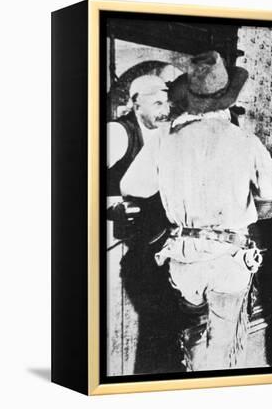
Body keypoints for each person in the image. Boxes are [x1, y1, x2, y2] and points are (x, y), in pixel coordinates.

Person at [155, 51, 272, 371]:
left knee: (194, 335)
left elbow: (136, 186)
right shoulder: (243, 140)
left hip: (184, 258)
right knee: (223, 341)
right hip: (228, 259)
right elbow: (271, 188)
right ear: (227, 100)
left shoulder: (166, 141)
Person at [106, 74, 186, 374]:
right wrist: (112, 203)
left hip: (158, 242)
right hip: (121, 244)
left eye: (166, 102)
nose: (164, 109)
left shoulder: (168, 134)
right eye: (156, 103)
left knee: (165, 324)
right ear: (135, 104)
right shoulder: (117, 133)